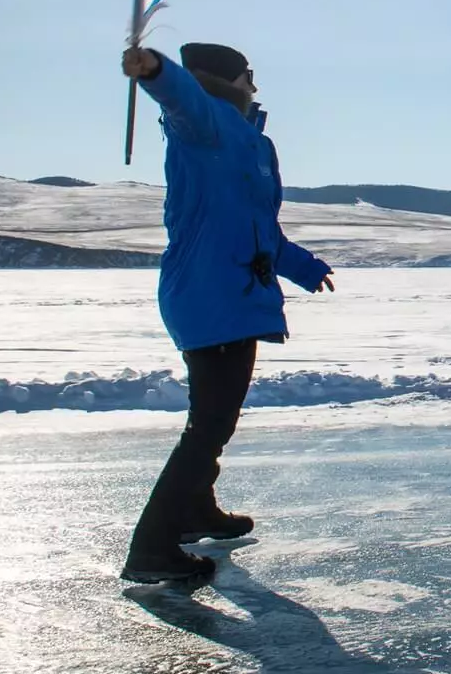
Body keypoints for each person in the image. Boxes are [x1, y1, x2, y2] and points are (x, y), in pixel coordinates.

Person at [118, 42, 335, 583]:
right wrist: (156, 71)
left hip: (232, 291)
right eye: (247, 76)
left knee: (214, 420)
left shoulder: (250, 141)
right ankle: (151, 550)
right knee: (209, 425)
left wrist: (302, 267)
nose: (254, 87)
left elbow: (257, 227)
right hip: (209, 293)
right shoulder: (207, 124)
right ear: (223, 80)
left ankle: (195, 511)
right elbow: (182, 98)